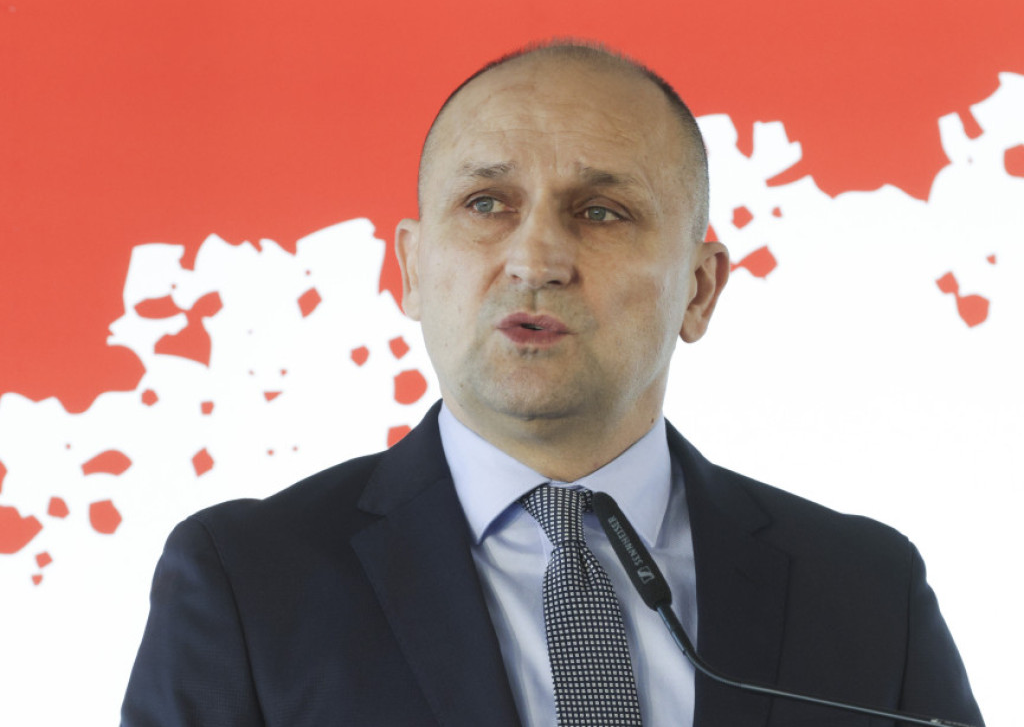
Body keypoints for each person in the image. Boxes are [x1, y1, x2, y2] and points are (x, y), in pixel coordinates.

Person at [121, 42, 984, 726]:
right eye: (486, 204)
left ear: (699, 288)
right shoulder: (247, 582)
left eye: (600, 212)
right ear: (412, 271)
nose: (535, 259)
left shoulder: (866, 591)